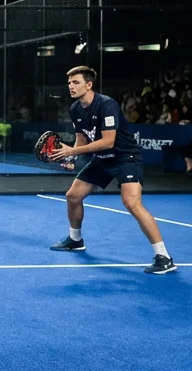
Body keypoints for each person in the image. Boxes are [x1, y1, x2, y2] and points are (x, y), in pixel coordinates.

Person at [47, 66, 175, 274]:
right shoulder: (75, 109)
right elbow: (82, 140)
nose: (71, 86)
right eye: (69, 83)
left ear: (89, 85)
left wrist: (73, 150)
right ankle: (75, 240)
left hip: (125, 158)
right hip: (102, 160)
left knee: (131, 202)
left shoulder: (106, 105)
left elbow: (108, 142)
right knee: (73, 196)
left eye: (76, 82)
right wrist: (72, 158)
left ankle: (164, 257)